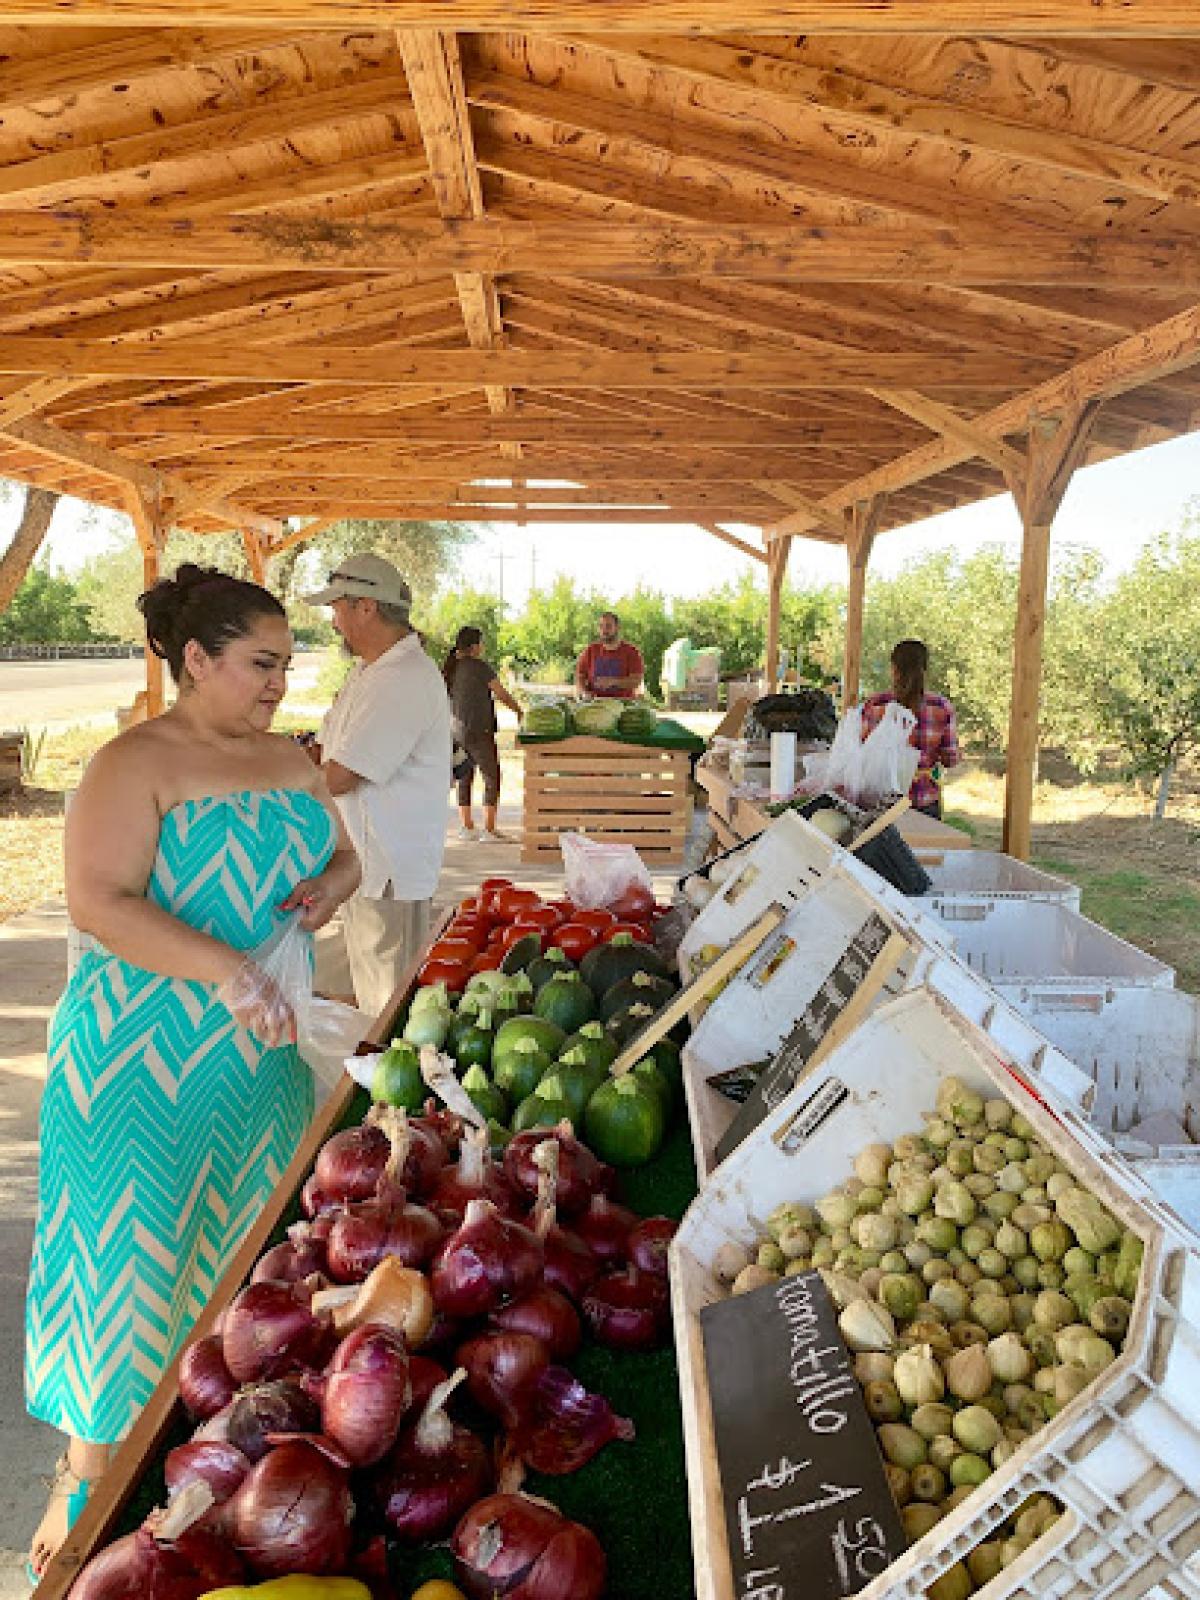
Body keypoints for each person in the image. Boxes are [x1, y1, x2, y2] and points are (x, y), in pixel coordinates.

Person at [25, 565, 360, 1577]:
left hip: (255, 1065)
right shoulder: (131, 763)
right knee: (128, 1261)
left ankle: (197, 1473)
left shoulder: (293, 759)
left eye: (286, 665)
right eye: (261, 664)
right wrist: (226, 968)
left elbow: (346, 858)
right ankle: (84, 1477)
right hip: (136, 1060)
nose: (277, 683)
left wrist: (322, 893)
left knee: (234, 1266)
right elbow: (99, 901)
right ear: (197, 658)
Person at [305, 553, 451, 1017]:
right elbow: (325, 753)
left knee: (384, 1008)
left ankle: (386, 1089)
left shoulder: (402, 679)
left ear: (366, 606)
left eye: (338, 608)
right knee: (365, 994)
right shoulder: (370, 672)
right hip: (363, 863)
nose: (334, 621)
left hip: (385, 867)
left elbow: (341, 776)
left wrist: (281, 779)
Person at [861, 638, 960, 817]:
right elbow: (950, 760)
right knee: (921, 845)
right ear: (925, 669)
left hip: (881, 801)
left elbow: (863, 751)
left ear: (893, 669)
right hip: (924, 801)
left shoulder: (875, 704)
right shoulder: (941, 706)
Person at [444, 624, 522, 843]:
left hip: (457, 730)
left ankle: (467, 828)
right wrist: (519, 711)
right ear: (475, 646)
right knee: (492, 776)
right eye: (481, 643)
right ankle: (489, 830)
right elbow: (501, 694)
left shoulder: (452, 667)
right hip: (479, 729)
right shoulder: (479, 667)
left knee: (465, 777)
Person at [574, 610, 644, 699]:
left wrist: (614, 682)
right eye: (601, 626)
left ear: (617, 627)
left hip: (622, 704)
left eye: (608, 626)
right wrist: (584, 692)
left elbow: (636, 681)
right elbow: (580, 676)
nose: (604, 630)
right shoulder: (590, 650)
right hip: (594, 704)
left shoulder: (631, 652)